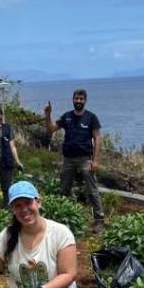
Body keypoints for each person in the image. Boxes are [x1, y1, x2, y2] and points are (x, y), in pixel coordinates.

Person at [44, 89, 104, 229]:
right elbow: (51, 129)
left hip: (85, 159)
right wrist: (48, 115)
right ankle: (63, 218)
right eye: (76, 98)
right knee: (64, 189)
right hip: (68, 160)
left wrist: (95, 160)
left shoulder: (91, 117)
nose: (78, 101)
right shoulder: (67, 117)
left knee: (92, 189)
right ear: (73, 99)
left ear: (85, 100)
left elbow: (97, 139)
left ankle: (99, 219)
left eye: (81, 99)